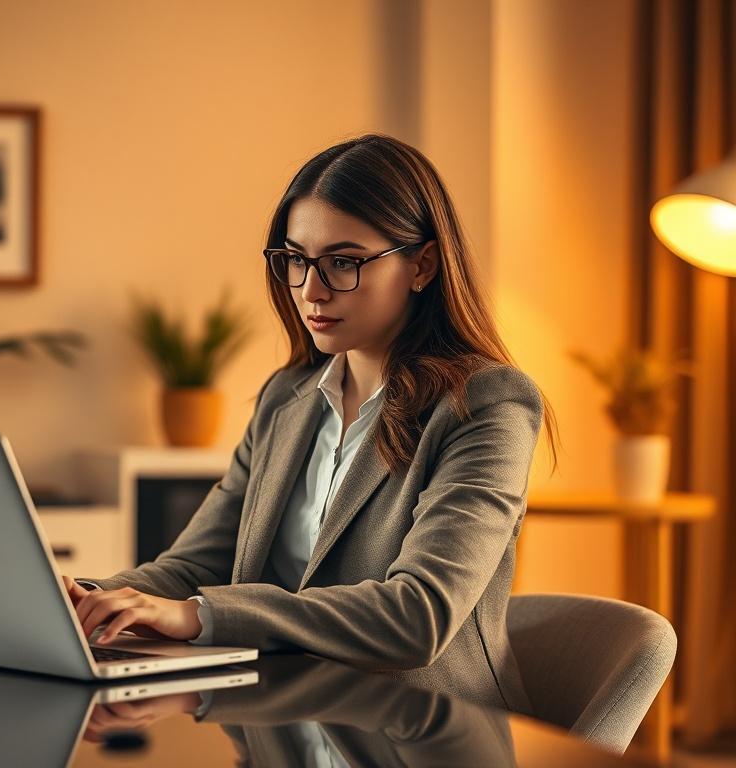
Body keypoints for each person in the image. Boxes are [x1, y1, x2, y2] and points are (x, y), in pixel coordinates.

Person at [63, 133, 559, 714]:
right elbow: (198, 563)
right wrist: (93, 600)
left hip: (420, 732)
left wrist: (200, 615)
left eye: (343, 262)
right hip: (283, 721)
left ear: (422, 264)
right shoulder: (285, 398)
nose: (310, 290)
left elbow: (419, 615)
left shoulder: (487, 404)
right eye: (296, 260)